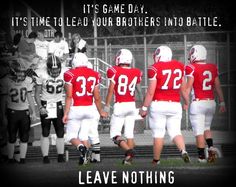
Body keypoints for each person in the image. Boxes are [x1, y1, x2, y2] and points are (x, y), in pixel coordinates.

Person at [139, 46, 190, 165]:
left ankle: (156, 160)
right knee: (175, 132)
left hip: (159, 105)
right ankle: (183, 151)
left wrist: (144, 107)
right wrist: (187, 102)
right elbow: (183, 90)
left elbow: (151, 92)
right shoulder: (179, 66)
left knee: (158, 134)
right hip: (175, 105)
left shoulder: (155, 68)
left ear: (159, 55)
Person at [62, 52, 107, 165]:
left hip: (76, 108)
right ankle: (85, 159)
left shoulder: (70, 74)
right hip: (89, 109)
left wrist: (65, 113)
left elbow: (69, 96)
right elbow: (97, 97)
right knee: (83, 135)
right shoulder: (95, 74)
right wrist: (101, 110)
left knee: (71, 136)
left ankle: (82, 148)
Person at [185, 45, 226, 163]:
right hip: (211, 103)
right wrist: (222, 102)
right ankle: (211, 150)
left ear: (195, 54)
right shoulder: (213, 67)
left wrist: (186, 102)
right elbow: (217, 86)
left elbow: (188, 88)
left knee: (198, 132)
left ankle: (201, 157)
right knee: (207, 128)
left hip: (198, 103)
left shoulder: (191, 67)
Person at [104, 49, 143, 165]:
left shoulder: (114, 71)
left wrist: (106, 106)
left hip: (120, 105)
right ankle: (128, 160)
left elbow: (111, 90)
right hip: (132, 105)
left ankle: (129, 151)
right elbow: (140, 92)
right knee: (129, 134)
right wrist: (143, 106)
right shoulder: (136, 72)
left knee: (115, 135)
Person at [1, 58, 37, 164]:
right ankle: (10, 158)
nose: (21, 75)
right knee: (11, 136)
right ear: (13, 72)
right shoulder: (6, 81)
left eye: (22, 72)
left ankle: (22, 158)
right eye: (19, 72)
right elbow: (3, 99)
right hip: (12, 111)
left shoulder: (27, 80)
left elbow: (30, 97)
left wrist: (33, 112)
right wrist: (3, 115)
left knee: (24, 136)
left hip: (24, 111)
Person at [34, 55, 68, 164]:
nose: (55, 71)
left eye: (57, 69)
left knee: (60, 131)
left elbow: (68, 92)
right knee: (45, 131)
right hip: (45, 103)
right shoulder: (41, 73)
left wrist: (68, 109)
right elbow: (36, 94)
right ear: (48, 68)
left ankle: (60, 155)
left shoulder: (65, 73)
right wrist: (40, 107)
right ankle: (45, 156)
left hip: (58, 104)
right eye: (52, 69)